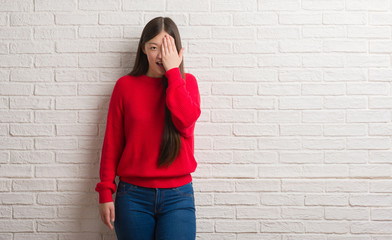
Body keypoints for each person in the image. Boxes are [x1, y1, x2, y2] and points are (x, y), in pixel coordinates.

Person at [95, 16, 201, 240]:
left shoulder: (187, 83)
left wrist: (173, 74)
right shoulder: (125, 86)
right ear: (143, 49)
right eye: (153, 47)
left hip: (178, 196)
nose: (160, 55)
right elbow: (112, 143)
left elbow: (186, 122)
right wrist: (105, 191)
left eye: (166, 48)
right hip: (133, 196)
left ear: (177, 50)